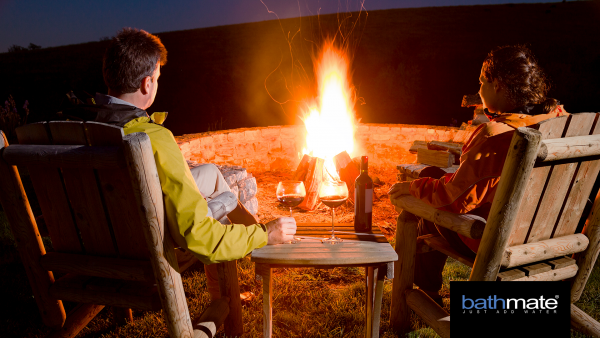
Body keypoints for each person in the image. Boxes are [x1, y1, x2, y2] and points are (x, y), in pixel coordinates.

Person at [64, 27, 296, 300]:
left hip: (97, 239)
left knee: (210, 173)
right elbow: (199, 237)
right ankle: (246, 266)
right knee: (223, 207)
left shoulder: (75, 128)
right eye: (158, 78)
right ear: (146, 84)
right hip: (145, 245)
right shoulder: (154, 139)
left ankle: (255, 241)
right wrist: (263, 235)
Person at [388, 45, 569, 304]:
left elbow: (456, 200)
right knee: (432, 174)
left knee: (425, 207)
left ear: (497, 85)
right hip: (550, 238)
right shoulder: (560, 120)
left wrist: (412, 189)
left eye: (482, 82)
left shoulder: (496, 135)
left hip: (500, 243)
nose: (479, 89)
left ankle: (424, 294)